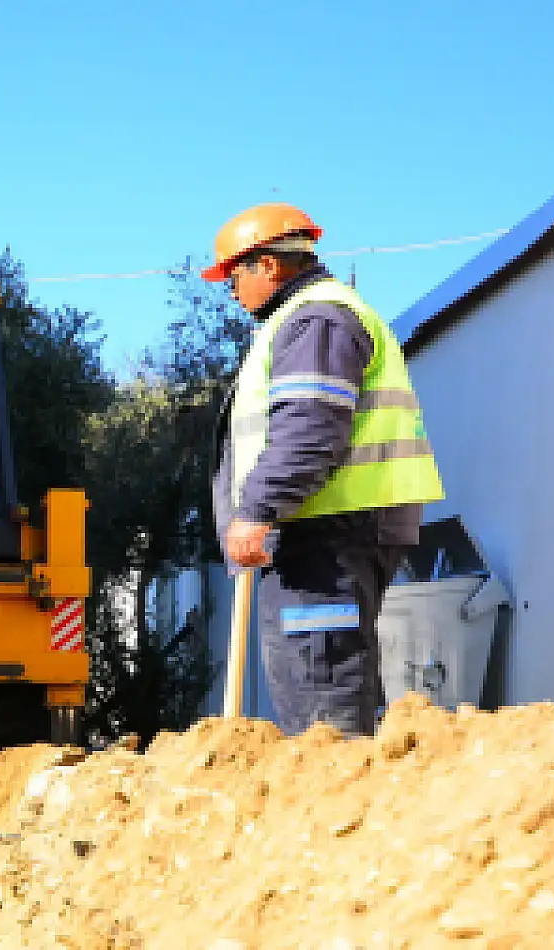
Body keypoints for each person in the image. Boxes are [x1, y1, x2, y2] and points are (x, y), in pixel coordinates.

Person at [205, 202, 444, 737]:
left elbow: (310, 428)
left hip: (329, 529)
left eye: (232, 275)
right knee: (326, 675)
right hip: (331, 525)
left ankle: (341, 810)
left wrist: (257, 510)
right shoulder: (311, 318)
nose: (230, 290)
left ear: (267, 265)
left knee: (323, 692)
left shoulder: (316, 319)